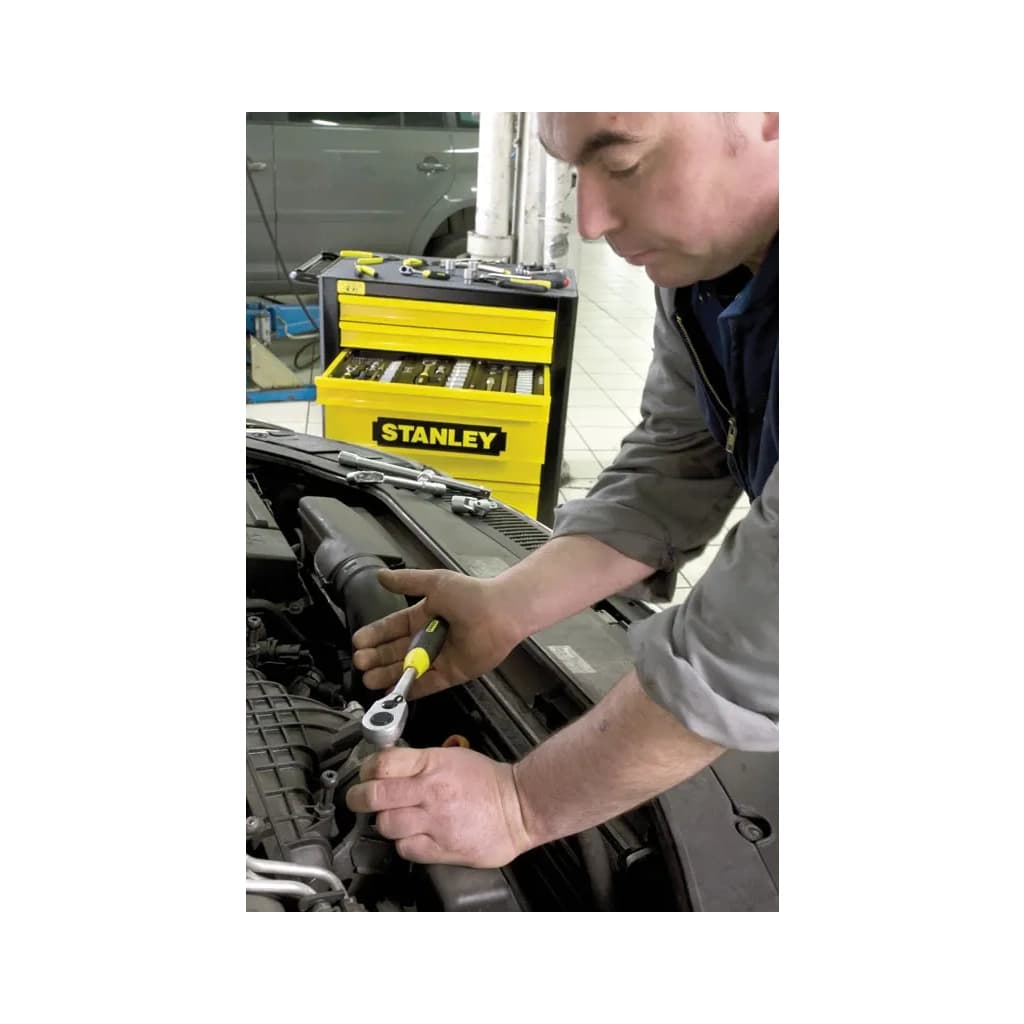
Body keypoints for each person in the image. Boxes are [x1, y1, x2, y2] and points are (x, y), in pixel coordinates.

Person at [345, 113, 779, 869]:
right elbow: (673, 467)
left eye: (624, 163)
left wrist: (522, 804)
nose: (590, 220)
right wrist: (507, 604)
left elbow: (763, 635)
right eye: (576, 171)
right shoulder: (708, 280)